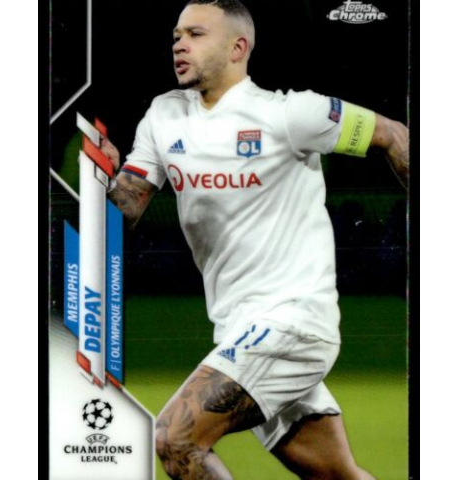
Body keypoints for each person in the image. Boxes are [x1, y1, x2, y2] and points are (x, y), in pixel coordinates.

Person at [103, 1, 409, 478]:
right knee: (337, 475)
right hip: (238, 330)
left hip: (292, 323)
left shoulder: (290, 114)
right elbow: (125, 209)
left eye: (196, 34)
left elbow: (392, 134)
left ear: (237, 47)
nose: (179, 44)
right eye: (176, 35)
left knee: (175, 439)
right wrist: (103, 179)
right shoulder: (164, 116)